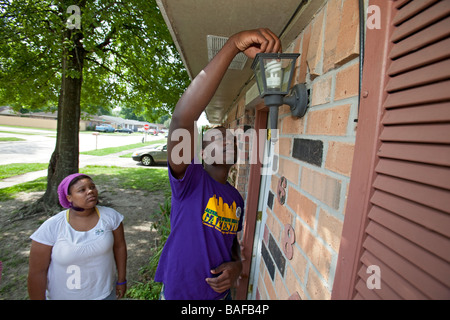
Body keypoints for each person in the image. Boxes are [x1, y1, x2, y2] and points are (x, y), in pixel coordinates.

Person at [154, 28, 282, 299]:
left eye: (229, 138)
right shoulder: (190, 180)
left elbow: (230, 242)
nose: (224, 141)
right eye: (213, 139)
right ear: (201, 153)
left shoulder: (236, 197)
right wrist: (233, 45)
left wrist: (237, 266)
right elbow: (182, 119)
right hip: (180, 294)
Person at [27, 173, 127, 300]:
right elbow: (37, 273)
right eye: (82, 190)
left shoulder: (111, 217)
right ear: (69, 198)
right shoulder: (52, 227)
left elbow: (120, 248)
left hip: (105, 294)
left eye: (92, 187)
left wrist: (121, 280)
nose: (90, 191)